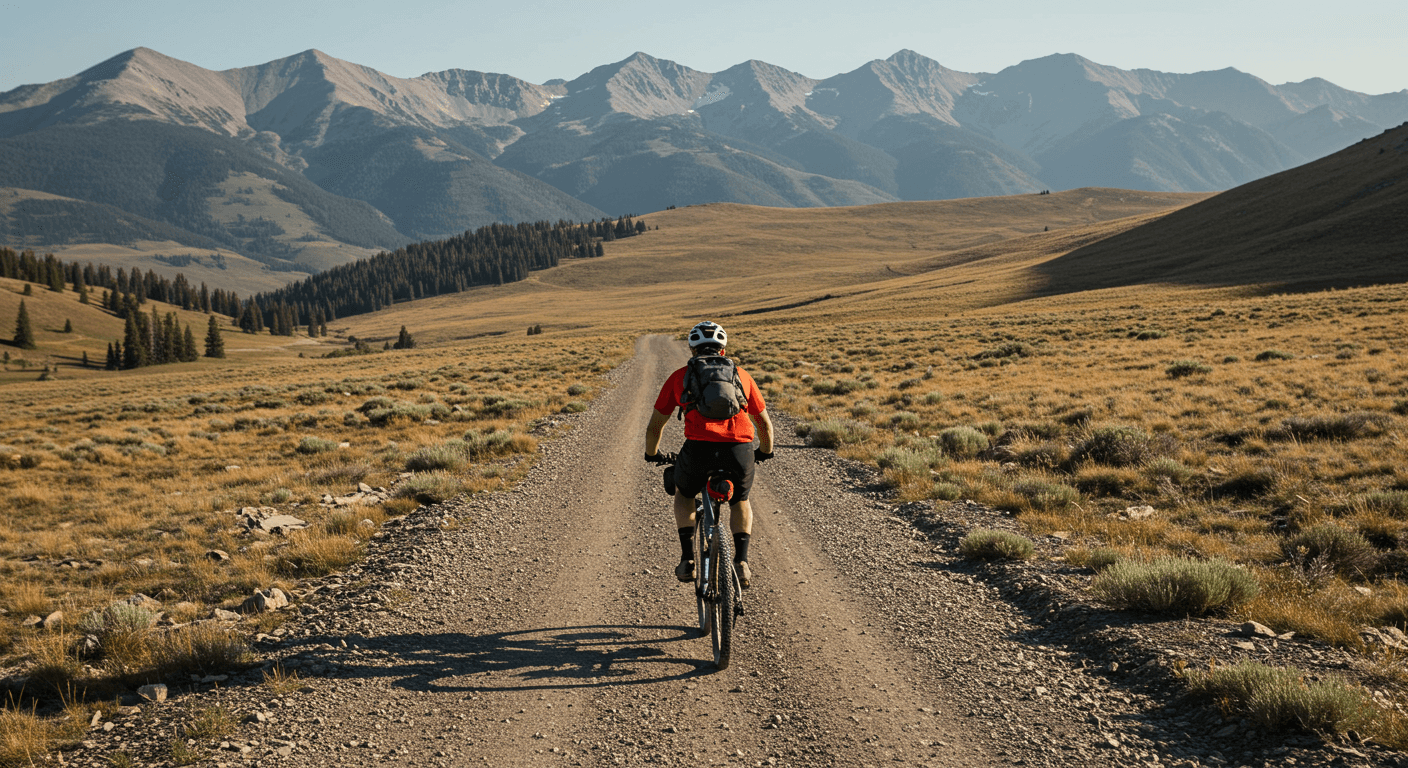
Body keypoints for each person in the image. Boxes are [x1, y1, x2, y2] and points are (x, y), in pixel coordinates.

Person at [645, 321, 774, 588]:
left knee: (685, 492)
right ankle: (741, 562)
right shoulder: (742, 375)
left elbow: (656, 424)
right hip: (739, 450)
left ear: (692, 350)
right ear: (723, 350)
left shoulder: (679, 376)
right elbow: (763, 423)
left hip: (699, 449)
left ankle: (687, 560)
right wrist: (765, 450)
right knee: (740, 500)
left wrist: (652, 454)